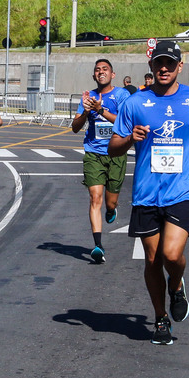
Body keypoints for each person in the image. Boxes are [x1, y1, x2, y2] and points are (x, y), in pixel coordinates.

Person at [109, 41, 189, 345]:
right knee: (151, 260)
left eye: (169, 63)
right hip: (147, 192)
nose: (163, 68)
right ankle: (160, 319)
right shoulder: (135, 103)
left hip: (183, 188)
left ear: (179, 67)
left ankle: (176, 285)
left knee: (171, 254)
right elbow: (114, 147)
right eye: (159, 63)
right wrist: (130, 138)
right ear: (151, 66)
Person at [71, 59, 130, 264]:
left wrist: (100, 110)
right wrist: (87, 111)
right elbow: (75, 127)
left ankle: (112, 209)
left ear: (112, 74)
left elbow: (125, 122)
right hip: (93, 153)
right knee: (95, 197)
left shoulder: (122, 95)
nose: (101, 72)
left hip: (116, 152)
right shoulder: (89, 97)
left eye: (105, 69)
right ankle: (98, 245)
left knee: (109, 201)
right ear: (94, 75)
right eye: (97, 70)